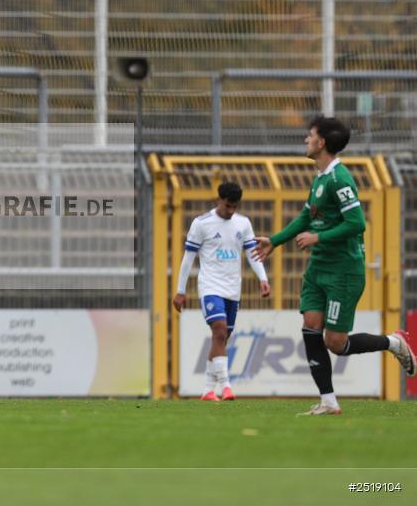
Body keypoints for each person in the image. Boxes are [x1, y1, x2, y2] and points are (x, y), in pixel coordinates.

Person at [253, 115, 415, 415]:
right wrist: (275, 241)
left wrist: (318, 237)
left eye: (310, 135)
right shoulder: (320, 178)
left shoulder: (340, 179)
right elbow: (306, 216)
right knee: (310, 326)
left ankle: (392, 343)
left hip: (343, 271)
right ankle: (328, 401)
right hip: (318, 269)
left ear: (322, 142)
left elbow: (357, 224)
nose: (306, 139)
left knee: (335, 343)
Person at [173, 182, 270, 401]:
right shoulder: (201, 224)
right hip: (210, 286)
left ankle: (208, 390)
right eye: (228, 206)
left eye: (235, 207)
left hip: (233, 289)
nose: (231, 211)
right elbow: (188, 258)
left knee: (221, 338)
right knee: (218, 331)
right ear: (219, 199)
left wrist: (263, 278)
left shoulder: (243, 223)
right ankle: (226, 386)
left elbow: (252, 254)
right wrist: (180, 290)